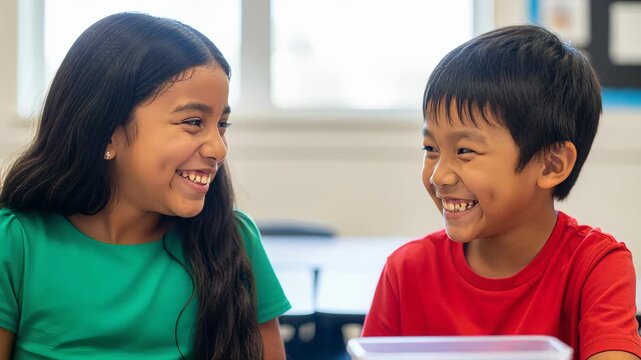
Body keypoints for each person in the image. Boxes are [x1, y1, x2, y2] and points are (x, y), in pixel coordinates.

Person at [0, 12, 290, 360]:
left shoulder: (233, 240)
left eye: (222, 124)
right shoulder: (15, 244)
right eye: (193, 122)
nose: (219, 148)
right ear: (108, 130)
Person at [362, 25, 641, 360]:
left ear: (552, 164)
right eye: (430, 148)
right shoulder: (405, 272)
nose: (439, 175)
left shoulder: (596, 268)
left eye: (464, 151)